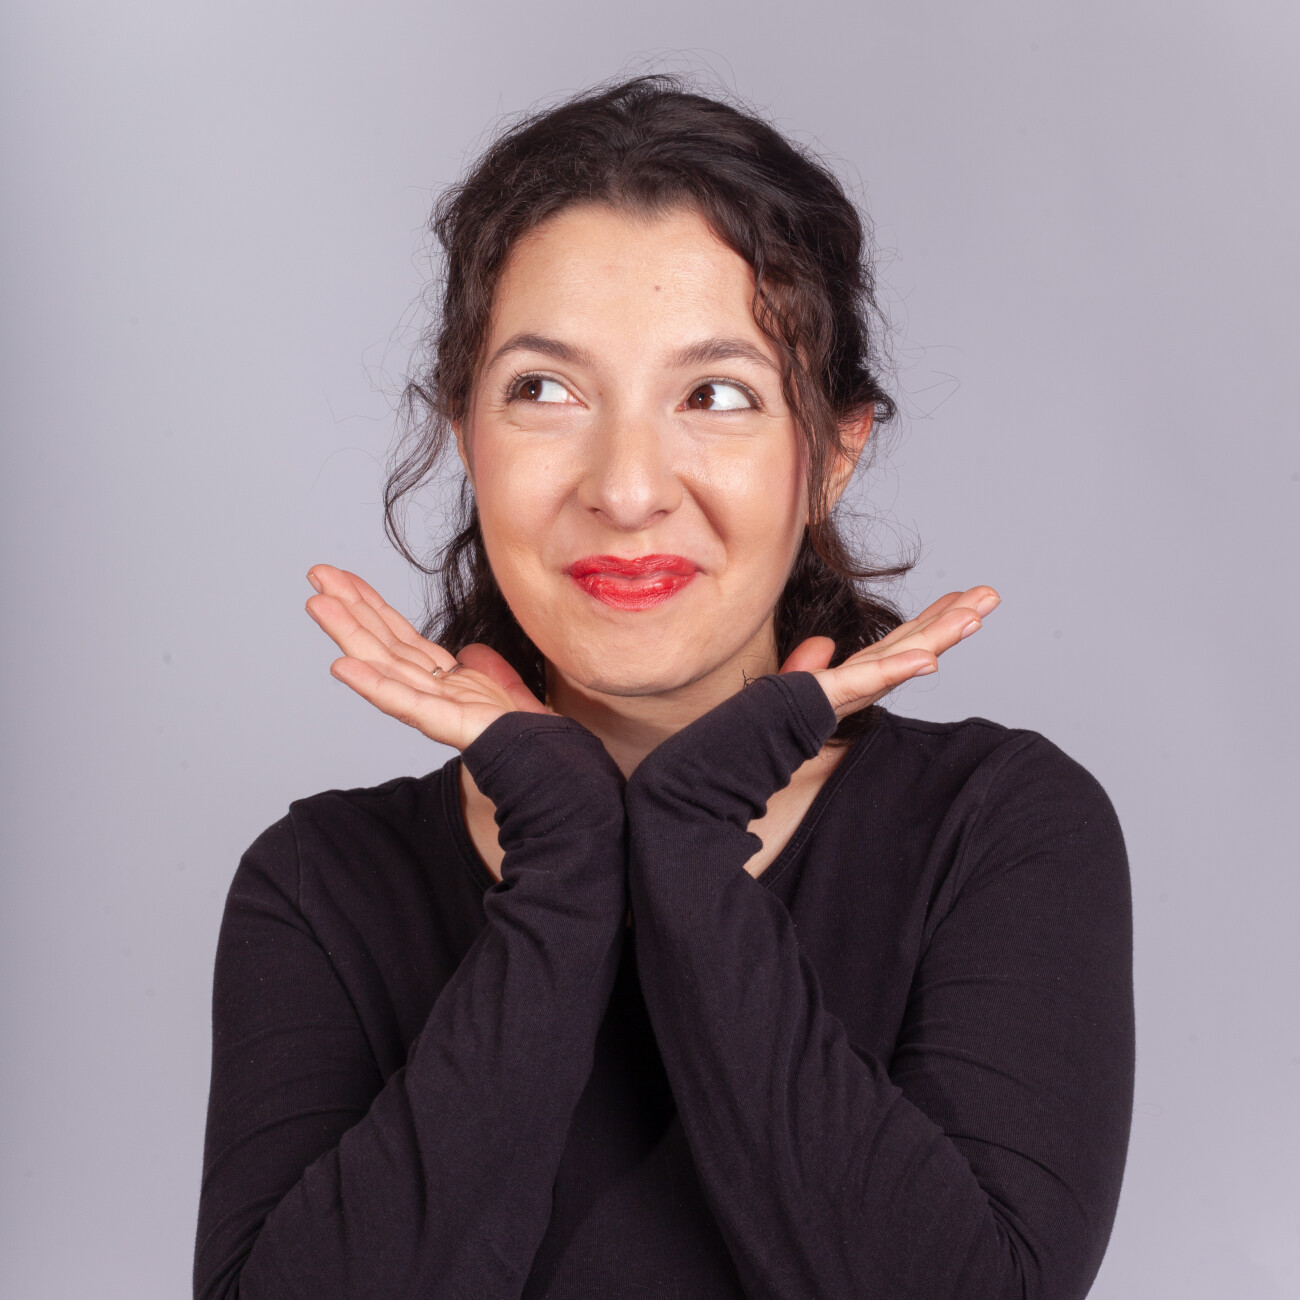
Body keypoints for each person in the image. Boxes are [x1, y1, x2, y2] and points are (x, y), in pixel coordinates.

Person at [193, 75, 1134, 1300]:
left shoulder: (995, 827)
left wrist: (687, 838)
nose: (626, 488)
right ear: (466, 435)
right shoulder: (321, 884)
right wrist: (566, 853)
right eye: (544, 390)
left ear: (832, 453)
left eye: (716, 395)